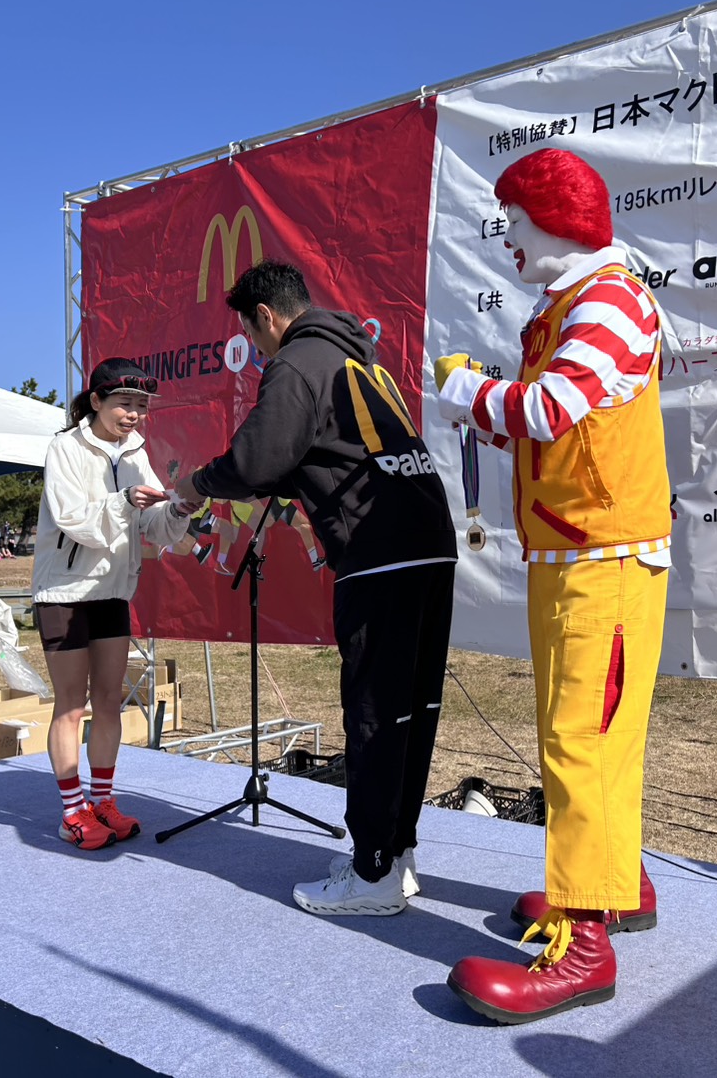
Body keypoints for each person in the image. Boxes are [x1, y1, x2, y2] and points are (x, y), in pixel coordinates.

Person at [435, 149, 671, 1023]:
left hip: (601, 559)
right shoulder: (573, 304)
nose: (507, 240)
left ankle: (584, 943)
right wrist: (482, 408)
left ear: (554, 220)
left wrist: (469, 390)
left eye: (515, 223)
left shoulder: (606, 299)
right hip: (579, 556)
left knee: (581, 741)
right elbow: (551, 429)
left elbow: (549, 409)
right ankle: (610, 885)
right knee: (589, 736)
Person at [174, 260, 456, 915]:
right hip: (427, 543)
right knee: (411, 711)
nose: (255, 349)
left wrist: (195, 485)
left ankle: (373, 872)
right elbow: (303, 460)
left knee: (375, 712)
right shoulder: (360, 360)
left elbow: (255, 461)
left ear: (264, 317)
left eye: (252, 335)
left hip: (378, 551)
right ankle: (394, 852)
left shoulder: (296, 363)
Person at [33, 357, 193, 850]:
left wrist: (180, 509)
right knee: (70, 705)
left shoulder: (136, 451)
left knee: (108, 702)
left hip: (113, 592)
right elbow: (72, 519)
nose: (134, 414)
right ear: (96, 400)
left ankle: (102, 801)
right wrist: (124, 500)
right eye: (125, 403)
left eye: (141, 406)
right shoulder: (65, 446)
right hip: (65, 594)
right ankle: (72, 812)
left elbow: (154, 526)